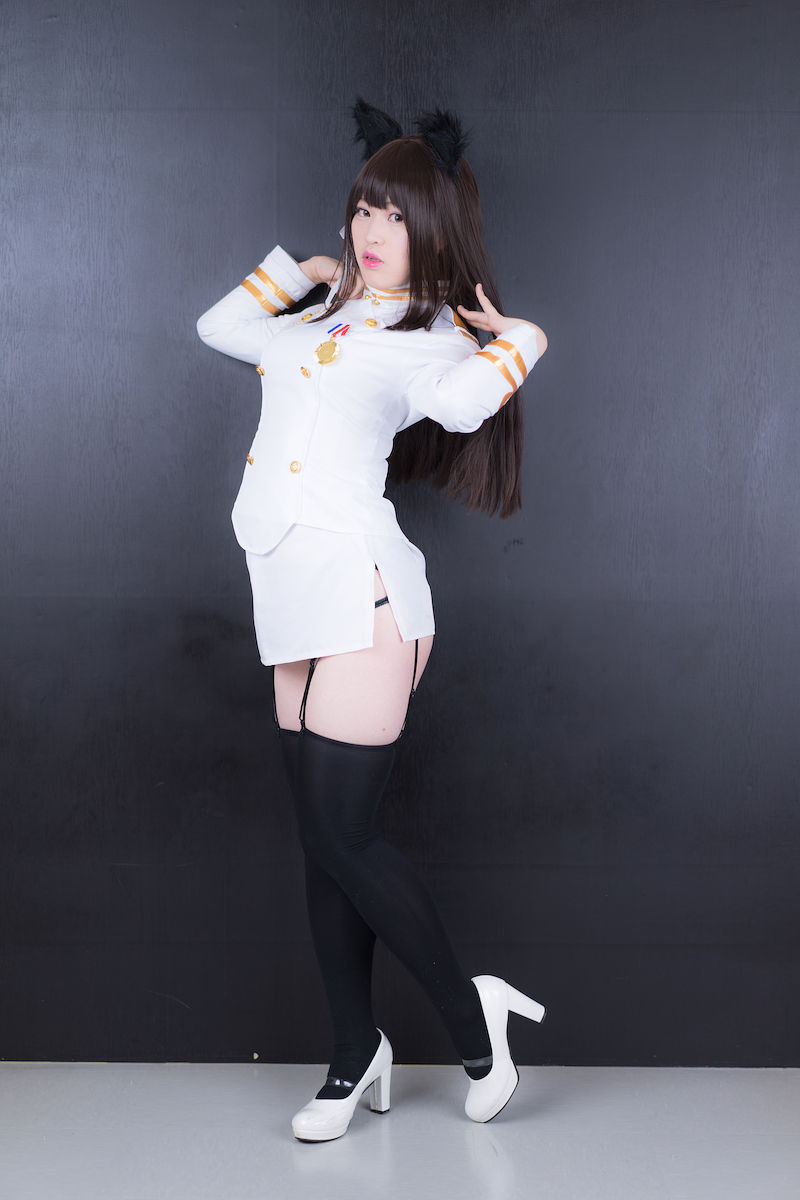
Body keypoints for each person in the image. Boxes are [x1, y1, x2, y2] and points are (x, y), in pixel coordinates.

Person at [196, 100, 549, 1142]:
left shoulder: (426, 334)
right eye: (363, 208)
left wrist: (523, 338)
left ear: (431, 227)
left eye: (394, 214)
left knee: (345, 835)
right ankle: (355, 1053)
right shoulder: (316, 318)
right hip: (287, 594)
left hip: (364, 595)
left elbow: (466, 407)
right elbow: (219, 329)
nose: (372, 229)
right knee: (322, 845)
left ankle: (473, 1019)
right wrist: (301, 273)